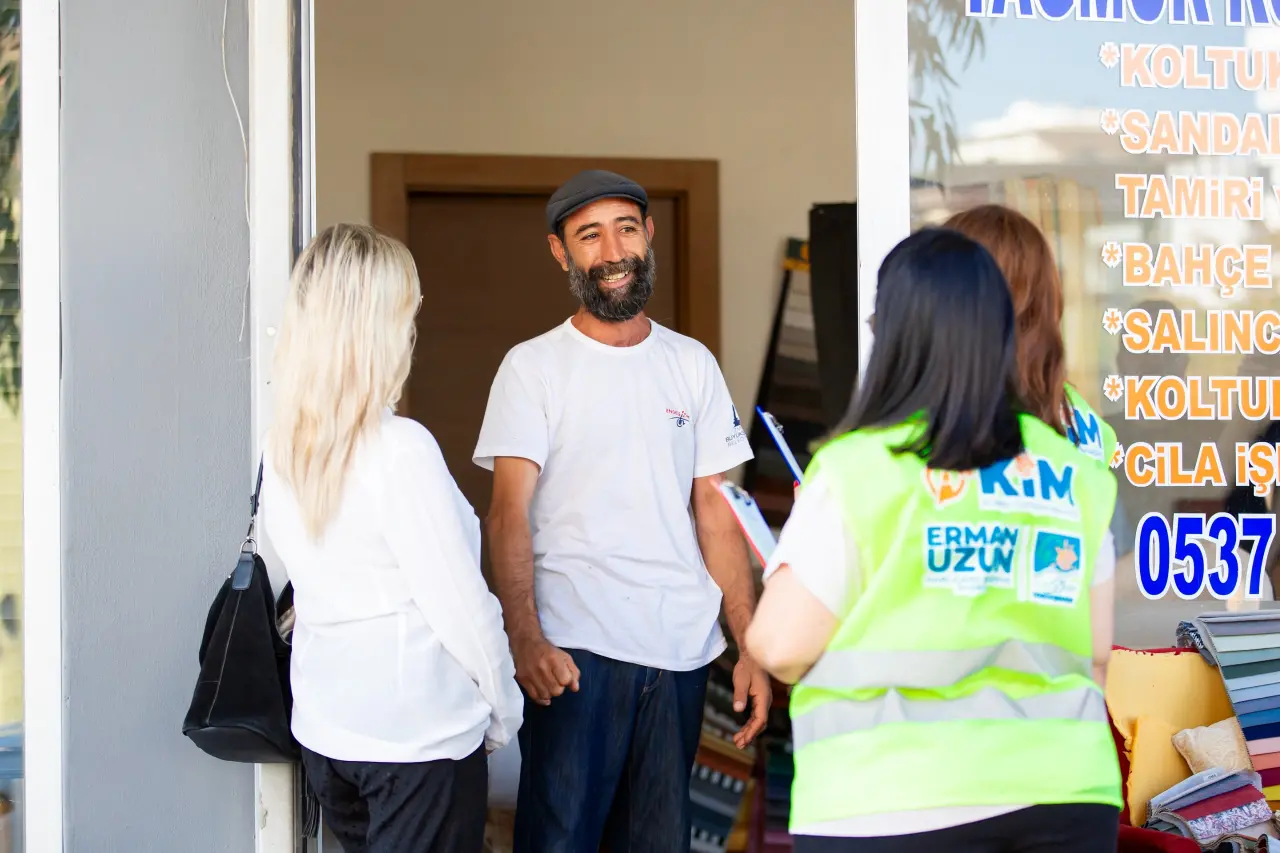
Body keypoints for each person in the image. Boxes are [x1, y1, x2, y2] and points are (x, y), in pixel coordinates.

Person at [744, 228, 1122, 852]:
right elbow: (1098, 653)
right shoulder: (1075, 470)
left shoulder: (858, 467)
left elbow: (781, 646)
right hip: (1066, 794)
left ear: (894, 335)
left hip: (891, 799)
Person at [474, 169, 772, 852]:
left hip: (680, 653)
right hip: (576, 651)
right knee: (560, 841)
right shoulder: (533, 368)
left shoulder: (691, 364)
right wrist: (524, 638)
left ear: (649, 235)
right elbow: (508, 515)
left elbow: (716, 509)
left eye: (626, 228)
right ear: (561, 252)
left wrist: (750, 643)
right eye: (589, 235)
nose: (612, 251)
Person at [263, 224, 523, 853]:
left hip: (330, 734)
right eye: (406, 315)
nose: (412, 333)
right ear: (376, 328)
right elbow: (460, 605)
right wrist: (503, 707)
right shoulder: (400, 450)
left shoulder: (286, 446)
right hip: (417, 741)